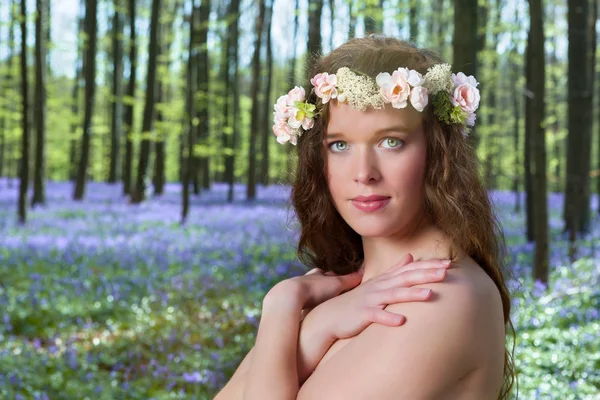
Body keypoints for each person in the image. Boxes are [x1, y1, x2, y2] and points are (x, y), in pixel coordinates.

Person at [215, 35, 515, 400]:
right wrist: (313, 324)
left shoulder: (445, 300)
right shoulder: (343, 290)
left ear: (438, 151)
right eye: (339, 145)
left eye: (391, 141)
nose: (364, 173)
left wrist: (282, 309)